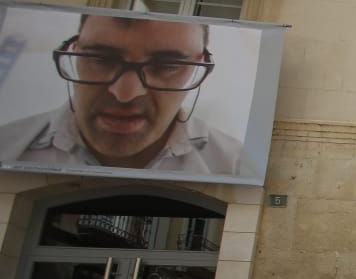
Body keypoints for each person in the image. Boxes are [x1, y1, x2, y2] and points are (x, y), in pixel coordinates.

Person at [0, 13, 244, 176]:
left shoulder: (235, 165)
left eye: (166, 66)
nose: (125, 94)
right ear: (75, 51)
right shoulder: (7, 145)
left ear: (197, 66)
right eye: (101, 60)